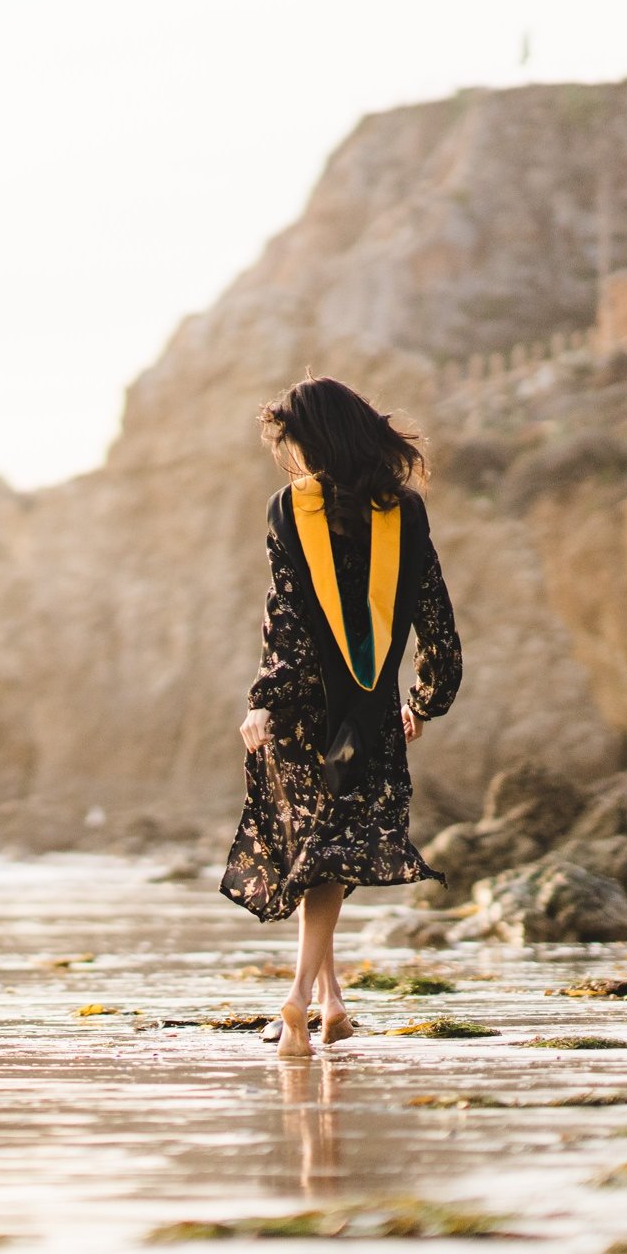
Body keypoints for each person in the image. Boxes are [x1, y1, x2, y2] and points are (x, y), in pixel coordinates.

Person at [220, 375, 462, 1059]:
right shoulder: (404, 514)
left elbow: (286, 620)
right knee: (328, 855)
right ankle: (313, 999)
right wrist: (424, 700)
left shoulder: (288, 510)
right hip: (370, 713)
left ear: (314, 439)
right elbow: (435, 620)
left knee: (319, 852)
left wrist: (265, 700)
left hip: (300, 715)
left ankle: (315, 1000)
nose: (289, 457)